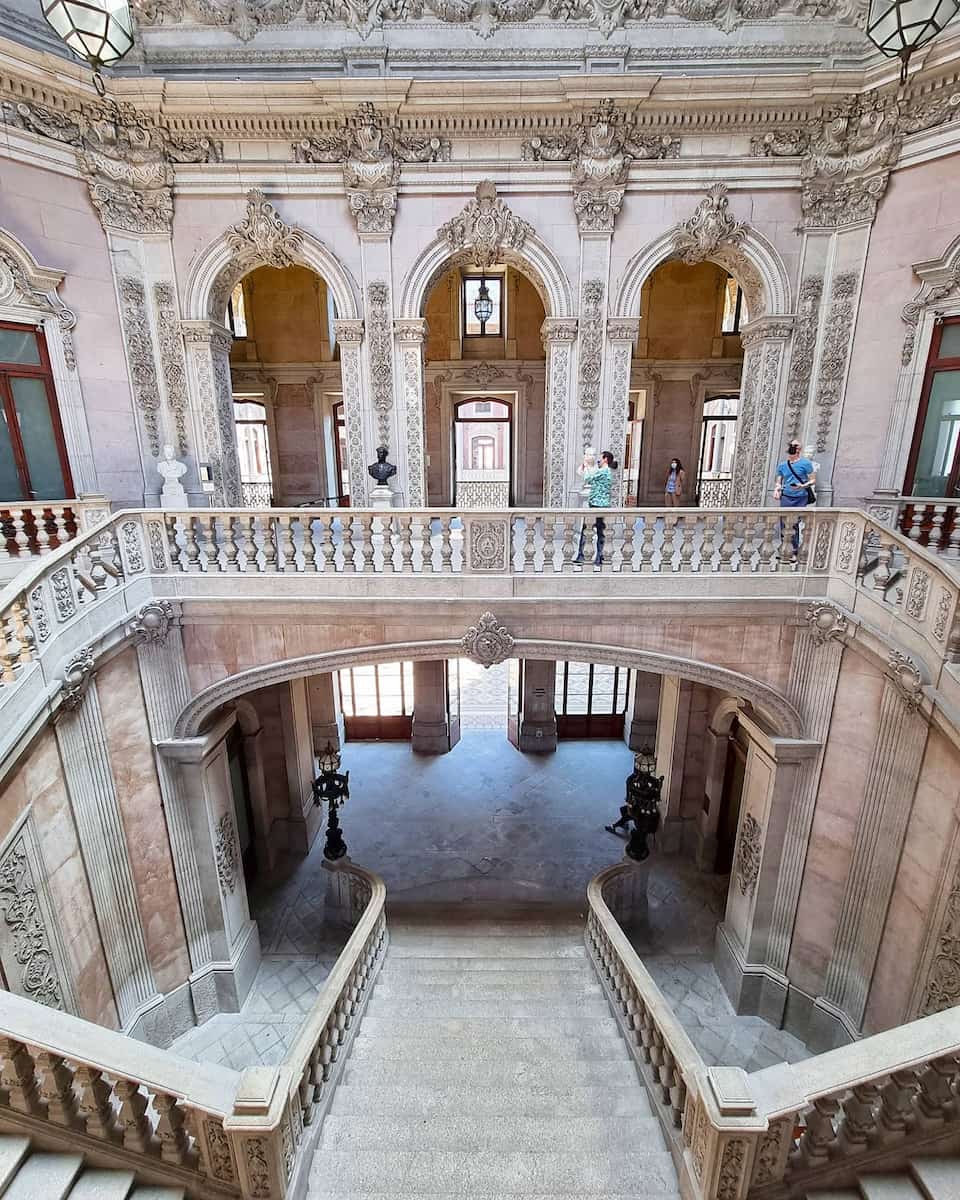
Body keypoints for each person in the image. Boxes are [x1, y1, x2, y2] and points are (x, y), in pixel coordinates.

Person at [773, 440, 817, 560]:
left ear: (799, 449)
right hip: (786, 495)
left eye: (796, 446)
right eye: (792, 446)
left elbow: (813, 480)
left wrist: (802, 486)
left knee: (794, 523)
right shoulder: (782, 465)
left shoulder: (805, 463)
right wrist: (777, 489)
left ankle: (793, 551)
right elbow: (779, 480)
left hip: (800, 496)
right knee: (784, 523)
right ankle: (785, 549)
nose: (794, 448)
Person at [574, 450, 617, 571]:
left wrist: (586, 465)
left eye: (600, 458)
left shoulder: (604, 471)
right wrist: (585, 466)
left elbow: (588, 478)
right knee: (598, 531)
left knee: (591, 531)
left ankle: (591, 557)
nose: (598, 460)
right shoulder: (603, 471)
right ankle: (596, 557)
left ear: (605, 459)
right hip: (599, 505)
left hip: (598, 506)